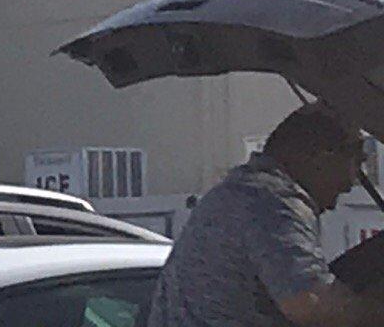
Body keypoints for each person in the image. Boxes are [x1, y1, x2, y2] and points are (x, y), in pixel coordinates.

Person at [149, 103, 384, 327]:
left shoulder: (237, 192)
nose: (352, 182)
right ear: (322, 156)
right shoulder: (271, 204)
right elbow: (310, 304)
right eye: (356, 162)